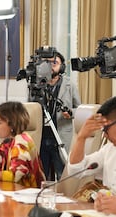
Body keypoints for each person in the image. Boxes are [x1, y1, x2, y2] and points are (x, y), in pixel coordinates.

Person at [31, 48, 81, 181]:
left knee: (62, 176)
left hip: (61, 136)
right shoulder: (36, 85)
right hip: (41, 137)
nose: (51, 66)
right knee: (41, 177)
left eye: (55, 63)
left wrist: (70, 113)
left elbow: (80, 109)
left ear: (62, 66)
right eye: (47, 63)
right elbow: (30, 108)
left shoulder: (70, 85)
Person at [68, 96, 116, 214]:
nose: (104, 135)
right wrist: (81, 137)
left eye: (106, 128)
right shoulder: (109, 150)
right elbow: (75, 170)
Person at [0, 101, 46, 187]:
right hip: (12, 192)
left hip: (27, 195)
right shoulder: (7, 143)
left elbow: (16, 175)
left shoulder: (22, 142)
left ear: (12, 124)